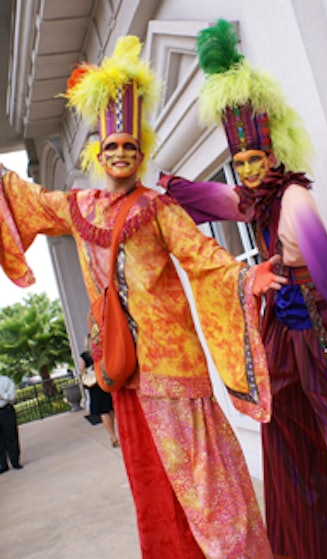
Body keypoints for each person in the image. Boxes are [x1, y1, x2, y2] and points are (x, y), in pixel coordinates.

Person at [0, 35, 289, 559]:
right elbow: (28, 200)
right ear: (99, 152)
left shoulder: (159, 209)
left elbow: (203, 257)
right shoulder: (80, 206)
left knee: (207, 485)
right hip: (125, 372)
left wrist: (246, 279)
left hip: (175, 370)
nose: (121, 154)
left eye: (130, 147)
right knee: (154, 487)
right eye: (111, 147)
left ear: (140, 153)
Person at [161, 19, 327, 559]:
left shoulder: (290, 198)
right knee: (293, 447)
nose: (246, 170)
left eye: (255, 159)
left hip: (317, 336)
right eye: (240, 161)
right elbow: (208, 200)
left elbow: (323, 260)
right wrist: (162, 191)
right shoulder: (255, 198)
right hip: (283, 338)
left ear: (274, 154)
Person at [79, 337, 119, 448]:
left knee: (104, 411)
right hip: (105, 382)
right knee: (112, 408)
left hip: (95, 386)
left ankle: (112, 436)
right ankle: (119, 433)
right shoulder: (102, 352)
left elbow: (82, 371)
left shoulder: (84, 356)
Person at [0, 374, 23, 473]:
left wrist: (1, 395)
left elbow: (12, 397)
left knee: (11, 435)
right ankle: (2, 464)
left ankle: (15, 461)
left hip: (6, 410)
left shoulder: (5, 381)